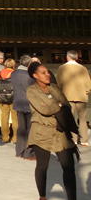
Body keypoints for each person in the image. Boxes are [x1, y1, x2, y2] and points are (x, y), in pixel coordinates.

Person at [27, 63, 78, 200]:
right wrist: (58, 105)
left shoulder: (55, 88)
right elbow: (43, 110)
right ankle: (42, 196)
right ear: (35, 75)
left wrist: (56, 105)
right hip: (41, 132)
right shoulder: (31, 91)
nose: (47, 75)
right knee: (42, 166)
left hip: (60, 131)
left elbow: (66, 106)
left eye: (48, 72)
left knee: (69, 167)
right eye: (43, 73)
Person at [57, 50, 91, 147]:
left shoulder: (62, 68)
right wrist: (85, 91)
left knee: (70, 118)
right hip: (81, 96)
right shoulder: (83, 68)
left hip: (67, 96)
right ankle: (84, 140)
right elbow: (88, 84)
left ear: (67, 57)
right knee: (82, 119)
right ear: (77, 58)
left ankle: (73, 139)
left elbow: (58, 83)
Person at [12, 54, 36, 160]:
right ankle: (28, 153)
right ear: (29, 64)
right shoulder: (30, 76)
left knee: (21, 128)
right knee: (30, 129)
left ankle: (19, 151)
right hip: (30, 103)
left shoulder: (14, 73)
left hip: (18, 102)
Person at [0, 58, 17, 144]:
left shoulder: (0, 73)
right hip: (13, 98)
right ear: (13, 65)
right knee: (15, 118)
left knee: (4, 118)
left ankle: (5, 137)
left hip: (3, 99)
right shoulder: (15, 73)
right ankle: (15, 137)